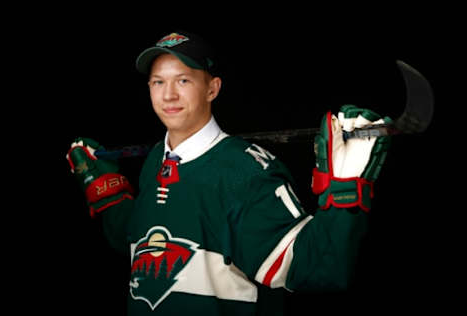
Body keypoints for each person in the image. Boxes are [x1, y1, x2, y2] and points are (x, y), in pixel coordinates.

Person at [67, 31, 391, 315]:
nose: (168, 95)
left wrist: (346, 191)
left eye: (183, 80)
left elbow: (317, 267)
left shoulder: (246, 172)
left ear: (212, 88)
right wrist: (105, 190)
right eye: (158, 82)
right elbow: (147, 247)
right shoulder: (156, 161)